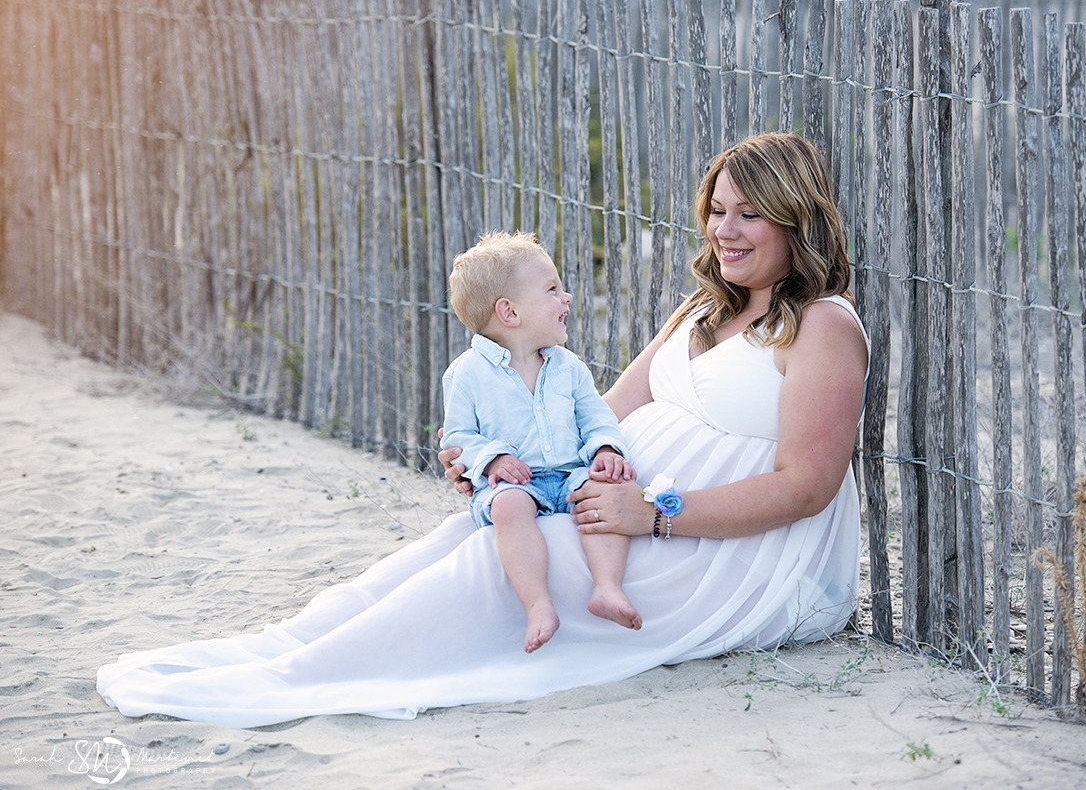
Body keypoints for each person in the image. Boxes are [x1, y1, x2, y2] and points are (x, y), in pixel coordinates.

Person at [96, 132, 868, 728]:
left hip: (729, 558)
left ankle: (302, 677)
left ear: (796, 219)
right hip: (613, 508)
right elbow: (603, 408)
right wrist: (496, 458)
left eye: (749, 214)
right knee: (464, 541)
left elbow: (807, 486)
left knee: (495, 575)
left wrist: (653, 516)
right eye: (717, 208)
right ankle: (286, 648)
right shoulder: (703, 307)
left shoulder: (824, 328)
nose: (724, 229)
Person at [442, 231, 641, 653]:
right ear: (509, 312)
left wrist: (606, 449)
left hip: (570, 473)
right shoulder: (467, 374)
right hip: (515, 484)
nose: (566, 297)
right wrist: (492, 459)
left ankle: (607, 586)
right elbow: (459, 437)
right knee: (510, 505)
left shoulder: (568, 367)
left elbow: (596, 416)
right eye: (552, 289)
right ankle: (538, 604)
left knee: (606, 494)